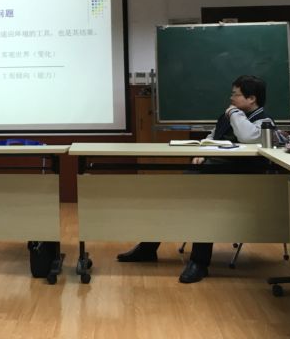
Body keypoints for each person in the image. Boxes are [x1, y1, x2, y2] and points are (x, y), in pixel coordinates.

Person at [117, 75, 274, 284]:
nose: (231, 98)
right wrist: (202, 151)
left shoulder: (263, 121)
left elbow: (248, 137)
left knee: (201, 201)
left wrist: (235, 113)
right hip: (214, 174)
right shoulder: (227, 116)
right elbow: (212, 137)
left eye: (236, 95)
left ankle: (199, 262)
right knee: (172, 196)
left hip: (241, 182)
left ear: (252, 98)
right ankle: (148, 248)